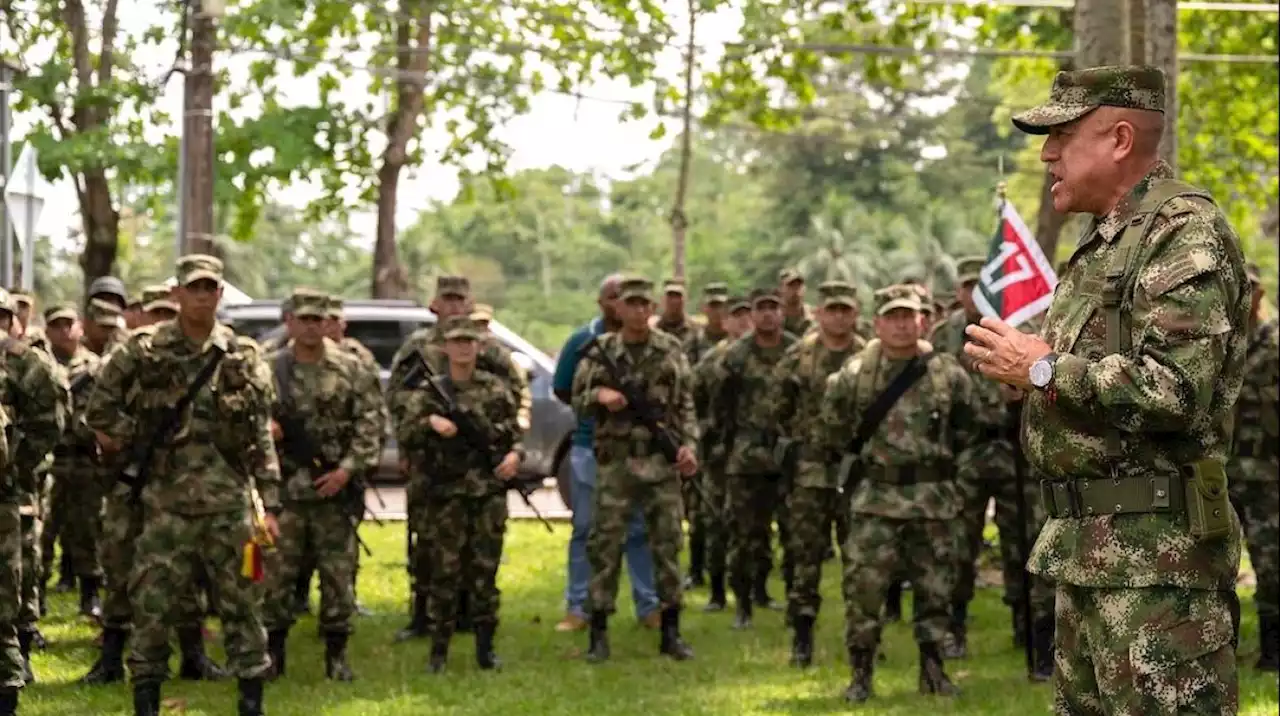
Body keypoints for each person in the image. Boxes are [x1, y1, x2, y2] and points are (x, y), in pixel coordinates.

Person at [965, 65, 1249, 714]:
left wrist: (1043, 370)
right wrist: (1032, 385)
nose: (1046, 154)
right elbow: (1097, 384)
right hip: (1092, 553)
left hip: (1159, 565)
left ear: (1120, 139)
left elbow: (1176, 390)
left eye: (1062, 136)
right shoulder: (1106, 244)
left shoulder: (1182, 231)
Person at [86, 254, 280, 716]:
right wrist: (140, 437)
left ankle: (251, 703)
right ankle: (147, 699)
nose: (202, 295)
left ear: (220, 294)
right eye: (193, 287)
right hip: (164, 505)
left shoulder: (242, 355)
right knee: (151, 606)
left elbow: (259, 433)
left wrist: (271, 503)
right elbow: (99, 410)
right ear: (176, 294)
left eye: (210, 288)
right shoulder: (143, 349)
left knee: (243, 607)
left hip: (228, 506)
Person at [818, 284, 975, 702]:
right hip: (876, 500)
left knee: (935, 588)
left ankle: (934, 669)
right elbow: (833, 430)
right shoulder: (854, 376)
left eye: (909, 316)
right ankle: (861, 674)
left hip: (933, 499)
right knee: (864, 591)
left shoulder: (947, 372)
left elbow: (966, 428)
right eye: (893, 317)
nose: (902, 324)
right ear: (877, 323)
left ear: (922, 320)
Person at [387, 276, 531, 642]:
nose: (453, 306)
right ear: (434, 303)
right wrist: (420, 430)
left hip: (479, 462)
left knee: (478, 541)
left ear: (469, 304)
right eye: (446, 299)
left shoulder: (491, 351)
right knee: (426, 538)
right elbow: (396, 398)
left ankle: (470, 615)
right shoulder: (417, 347)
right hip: (429, 459)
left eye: (459, 300)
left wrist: (509, 443)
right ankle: (423, 615)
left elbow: (517, 397)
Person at [931, 256, 1054, 671]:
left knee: (1022, 541)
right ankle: (955, 626)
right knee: (959, 542)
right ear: (959, 291)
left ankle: (1029, 628)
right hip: (967, 452)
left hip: (1013, 449)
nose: (974, 293)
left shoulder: (1015, 329)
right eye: (967, 286)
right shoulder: (941, 334)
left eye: (981, 284)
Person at [571, 276, 698, 662]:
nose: (639, 311)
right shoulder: (600, 351)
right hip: (617, 463)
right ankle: (598, 633)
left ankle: (671, 630)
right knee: (604, 546)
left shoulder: (671, 349)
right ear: (618, 308)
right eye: (632, 304)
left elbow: (686, 405)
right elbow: (576, 399)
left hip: (661, 462)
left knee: (667, 544)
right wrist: (600, 395)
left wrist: (689, 446)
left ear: (653, 309)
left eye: (646, 305)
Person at [263, 289, 384, 682]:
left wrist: (346, 471)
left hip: (334, 493)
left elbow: (371, 426)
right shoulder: (269, 370)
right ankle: (273, 655)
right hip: (285, 494)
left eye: (319, 319)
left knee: (337, 578)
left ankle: (337, 656)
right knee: (277, 578)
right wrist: (267, 432)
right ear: (290, 323)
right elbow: (245, 425)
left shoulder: (352, 369)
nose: (312, 327)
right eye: (304, 320)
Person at [552, 274, 660, 632]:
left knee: (639, 529)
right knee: (586, 528)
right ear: (602, 303)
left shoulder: (652, 344)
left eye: (628, 298)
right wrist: (597, 405)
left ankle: (649, 606)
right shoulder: (582, 340)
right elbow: (563, 388)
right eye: (615, 297)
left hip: (638, 452)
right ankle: (578, 607)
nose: (622, 304)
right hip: (590, 449)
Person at [769, 280, 865, 666]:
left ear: (855, 314)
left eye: (846, 310)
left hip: (856, 471)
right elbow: (775, 407)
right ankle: (802, 635)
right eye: (832, 310)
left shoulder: (869, 356)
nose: (839, 317)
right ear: (819, 313)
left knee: (860, 557)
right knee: (805, 555)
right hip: (810, 471)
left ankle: (861, 636)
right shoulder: (798, 356)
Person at [705, 288, 797, 629]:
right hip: (745, 458)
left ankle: (792, 601)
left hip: (787, 456)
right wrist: (721, 450)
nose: (768, 314)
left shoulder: (795, 351)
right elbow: (720, 407)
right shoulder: (736, 356)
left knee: (793, 533)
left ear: (782, 312)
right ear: (753, 314)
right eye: (762, 308)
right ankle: (743, 604)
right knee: (744, 534)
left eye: (774, 307)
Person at [0, 289, 66, 689]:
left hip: (5, 493)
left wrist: (16, 465)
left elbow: (50, 422)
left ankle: (9, 682)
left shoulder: (25, 363)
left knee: (5, 595)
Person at [1229, 263, 1278, 671]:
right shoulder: (1214, 342)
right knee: (1213, 568)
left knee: (1271, 564)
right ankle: (1216, 652)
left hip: (1268, 477)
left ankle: (1273, 652)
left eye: (1249, 287)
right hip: (1217, 478)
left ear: (1260, 294)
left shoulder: (1274, 344)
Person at [692, 293, 754, 613]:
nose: (744, 322)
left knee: (752, 525)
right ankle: (717, 591)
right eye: (736, 316)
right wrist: (706, 434)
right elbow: (694, 398)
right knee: (716, 520)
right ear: (725, 322)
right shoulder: (713, 360)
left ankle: (755, 589)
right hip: (719, 453)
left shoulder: (765, 355)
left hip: (757, 455)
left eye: (748, 315)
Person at [43, 305, 104, 623]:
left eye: (69, 324)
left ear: (79, 327)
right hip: (49, 459)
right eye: (57, 325)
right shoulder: (40, 363)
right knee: (43, 530)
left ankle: (90, 593)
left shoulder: (94, 366)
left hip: (83, 460)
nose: (64, 331)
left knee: (87, 529)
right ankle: (35, 594)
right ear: (47, 330)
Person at [778, 269, 813, 336]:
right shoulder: (774, 317)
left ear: (805, 288)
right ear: (781, 289)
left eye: (798, 286)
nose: (795, 290)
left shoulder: (812, 316)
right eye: (791, 286)